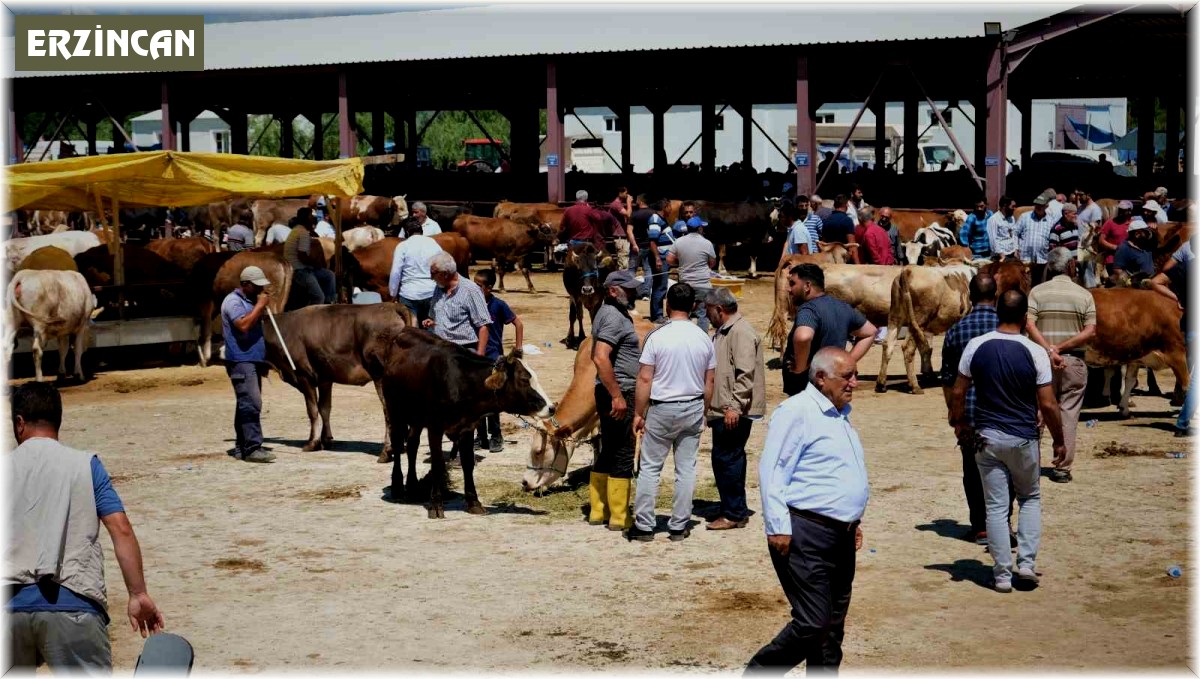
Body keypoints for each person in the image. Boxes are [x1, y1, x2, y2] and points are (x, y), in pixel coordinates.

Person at [5, 383, 166, 673]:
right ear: (58, 420)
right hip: (74, 604)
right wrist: (138, 593)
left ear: (19, 423)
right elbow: (121, 529)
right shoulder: (86, 465)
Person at [747, 346, 867, 673]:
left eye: (855, 375)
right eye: (847, 376)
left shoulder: (839, 414)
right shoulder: (797, 411)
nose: (854, 383)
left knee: (832, 626)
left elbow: (832, 474)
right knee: (814, 622)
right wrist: (778, 527)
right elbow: (773, 470)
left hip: (840, 535)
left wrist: (851, 520)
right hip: (805, 534)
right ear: (821, 377)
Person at [951, 289, 1067, 593]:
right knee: (1029, 498)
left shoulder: (976, 345)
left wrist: (959, 422)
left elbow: (958, 391)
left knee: (995, 507)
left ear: (998, 314)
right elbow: (1048, 404)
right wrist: (1059, 440)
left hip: (986, 438)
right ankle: (1026, 564)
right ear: (1026, 318)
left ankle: (1002, 575)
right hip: (1023, 438)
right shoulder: (1035, 352)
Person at [627, 283, 717, 542]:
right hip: (692, 405)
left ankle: (645, 525)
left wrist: (638, 413)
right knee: (686, 469)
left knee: (650, 468)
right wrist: (704, 410)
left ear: (667, 305)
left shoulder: (657, 336)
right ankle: (679, 525)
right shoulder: (703, 338)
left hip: (662, 407)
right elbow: (709, 381)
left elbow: (645, 378)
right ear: (694, 307)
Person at [1023, 247, 1096, 484]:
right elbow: (1090, 331)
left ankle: (1030, 465)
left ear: (1049, 267)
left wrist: (1049, 349)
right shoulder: (1084, 295)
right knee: (1069, 414)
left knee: (1037, 412)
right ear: (1072, 265)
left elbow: (1029, 325)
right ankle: (1062, 467)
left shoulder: (1037, 292)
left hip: (1041, 361)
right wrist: (1061, 348)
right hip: (1073, 361)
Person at [940, 274, 1000, 544]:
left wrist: (955, 417)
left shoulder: (956, 330)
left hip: (970, 414)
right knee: (1003, 471)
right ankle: (1001, 523)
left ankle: (980, 526)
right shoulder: (1008, 327)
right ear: (995, 296)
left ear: (970, 297)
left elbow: (948, 380)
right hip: (1004, 413)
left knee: (973, 472)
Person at [704, 287, 765, 530]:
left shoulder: (740, 332)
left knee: (727, 459)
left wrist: (734, 406)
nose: (706, 315)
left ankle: (733, 513)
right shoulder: (727, 331)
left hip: (732, 409)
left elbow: (745, 373)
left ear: (719, 309)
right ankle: (733, 507)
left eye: (708, 310)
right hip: (725, 407)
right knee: (728, 458)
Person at [589, 270, 644, 532]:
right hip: (620, 391)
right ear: (612, 291)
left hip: (609, 390)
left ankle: (598, 510)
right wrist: (617, 396)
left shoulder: (607, 311)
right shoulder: (613, 317)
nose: (633, 293)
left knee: (609, 448)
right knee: (623, 450)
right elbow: (600, 357)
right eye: (628, 289)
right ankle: (620, 517)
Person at [782, 263, 876, 397]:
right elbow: (870, 332)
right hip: (832, 388)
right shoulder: (842, 307)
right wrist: (845, 362)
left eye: (792, 283)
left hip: (806, 389)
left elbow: (803, 337)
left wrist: (800, 367)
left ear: (807, 286)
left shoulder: (809, 309)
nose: (788, 289)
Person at [221, 266, 277, 463]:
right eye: (256, 286)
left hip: (252, 358)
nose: (260, 290)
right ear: (245, 284)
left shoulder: (248, 301)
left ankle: (242, 447)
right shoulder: (233, 302)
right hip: (240, 360)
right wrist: (260, 306)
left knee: (245, 403)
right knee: (252, 403)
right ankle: (253, 448)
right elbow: (243, 325)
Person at [471, 268, 523, 452]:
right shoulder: (471, 303)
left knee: (492, 399)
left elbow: (518, 323)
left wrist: (518, 348)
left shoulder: (498, 305)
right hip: (476, 356)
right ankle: (480, 437)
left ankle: (496, 435)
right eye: (474, 284)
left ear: (489, 287)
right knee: (476, 398)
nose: (475, 288)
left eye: (478, 285)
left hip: (493, 357)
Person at [424, 251, 490, 355]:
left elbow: (483, 326)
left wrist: (480, 355)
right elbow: (437, 316)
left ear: (445, 274)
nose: (431, 277)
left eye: (433, 273)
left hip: (463, 351)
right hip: (440, 348)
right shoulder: (439, 288)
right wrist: (433, 322)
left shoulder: (471, 290)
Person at [388, 217, 445, 325]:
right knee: (431, 329)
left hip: (409, 294)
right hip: (431, 292)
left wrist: (393, 293)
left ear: (407, 232)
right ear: (421, 231)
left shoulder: (402, 246)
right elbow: (442, 264)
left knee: (412, 331)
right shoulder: (433, 243)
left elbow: (395, 272)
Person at [667, 217, 717, 331]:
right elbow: (712, 263)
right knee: (703, 315)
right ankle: (702, 336)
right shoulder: (707, 243)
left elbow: (669, 259)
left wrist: (681, 262)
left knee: (684, 312)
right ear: (700, 228)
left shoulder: (679, 241)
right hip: (703, 284)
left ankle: (684, 335)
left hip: (686, 284)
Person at [284, 209, 336, 306]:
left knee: (329, 275)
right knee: (319, 297)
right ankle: (316, 312)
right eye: (311, 216)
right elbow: (302, 256)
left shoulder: (297, 230)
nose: (313, 218)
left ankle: (328, 303)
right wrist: (315, 263)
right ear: (306, 218)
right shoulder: (302, 233)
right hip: (299, 270)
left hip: (301, 268)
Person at [627, 195, 667, 322]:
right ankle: (645, 293)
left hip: (637, 246)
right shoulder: (653, 214)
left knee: (632, 270)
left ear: (640, 201)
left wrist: (634, 244)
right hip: (649, 246)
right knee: (648, 270)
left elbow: (629, 231)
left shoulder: (635, 214)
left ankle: (630, 295)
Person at [1016, 194, 1054, 282]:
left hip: (1042, 259)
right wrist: (1016, 248)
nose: (1038, 207)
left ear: (1046, 206)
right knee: (1025, 283)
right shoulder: (1025, 217)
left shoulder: (1051, 221)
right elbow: (1015, 232)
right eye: (1037, 204)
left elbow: (1052, 239)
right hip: (1025, 258)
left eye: (1041, 205)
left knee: (1041, 284)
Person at [820, 195, 861, 264]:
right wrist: (858, 264)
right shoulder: (847, 221)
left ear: (834, 205)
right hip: (843, 260)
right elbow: (852, 246)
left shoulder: (825, 221)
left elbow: (824, 244)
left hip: (830, 261)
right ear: (846, 205)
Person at [1097, 200, 1134, 271]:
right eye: (1120, 210)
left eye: (1124, 210)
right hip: (1113, 259)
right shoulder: (1110, 223)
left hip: (1129, 259)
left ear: (1129, 211)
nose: (1120, 212)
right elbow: (1101, 240)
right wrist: (1115, 247)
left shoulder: (1134, 224)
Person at [608, 187, 634, 269]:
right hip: (620, 237)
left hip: (622, 236)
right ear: (620, 193)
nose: (627, 195)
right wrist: (629, 202)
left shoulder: (619, 204)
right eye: (626, 193)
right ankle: (623, 276)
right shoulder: (616, 204)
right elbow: (628, 214)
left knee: (624, 260)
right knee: (624, 263)